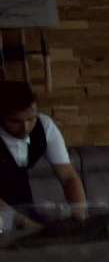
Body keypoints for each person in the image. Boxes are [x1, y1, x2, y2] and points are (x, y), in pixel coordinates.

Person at [1, 82, 85, 211]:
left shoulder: (44, 126)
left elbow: (68, 176)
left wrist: (79, 213)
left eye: (31, 119)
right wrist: (23, 221)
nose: (25, 128)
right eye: (15, 121)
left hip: (24, 206)